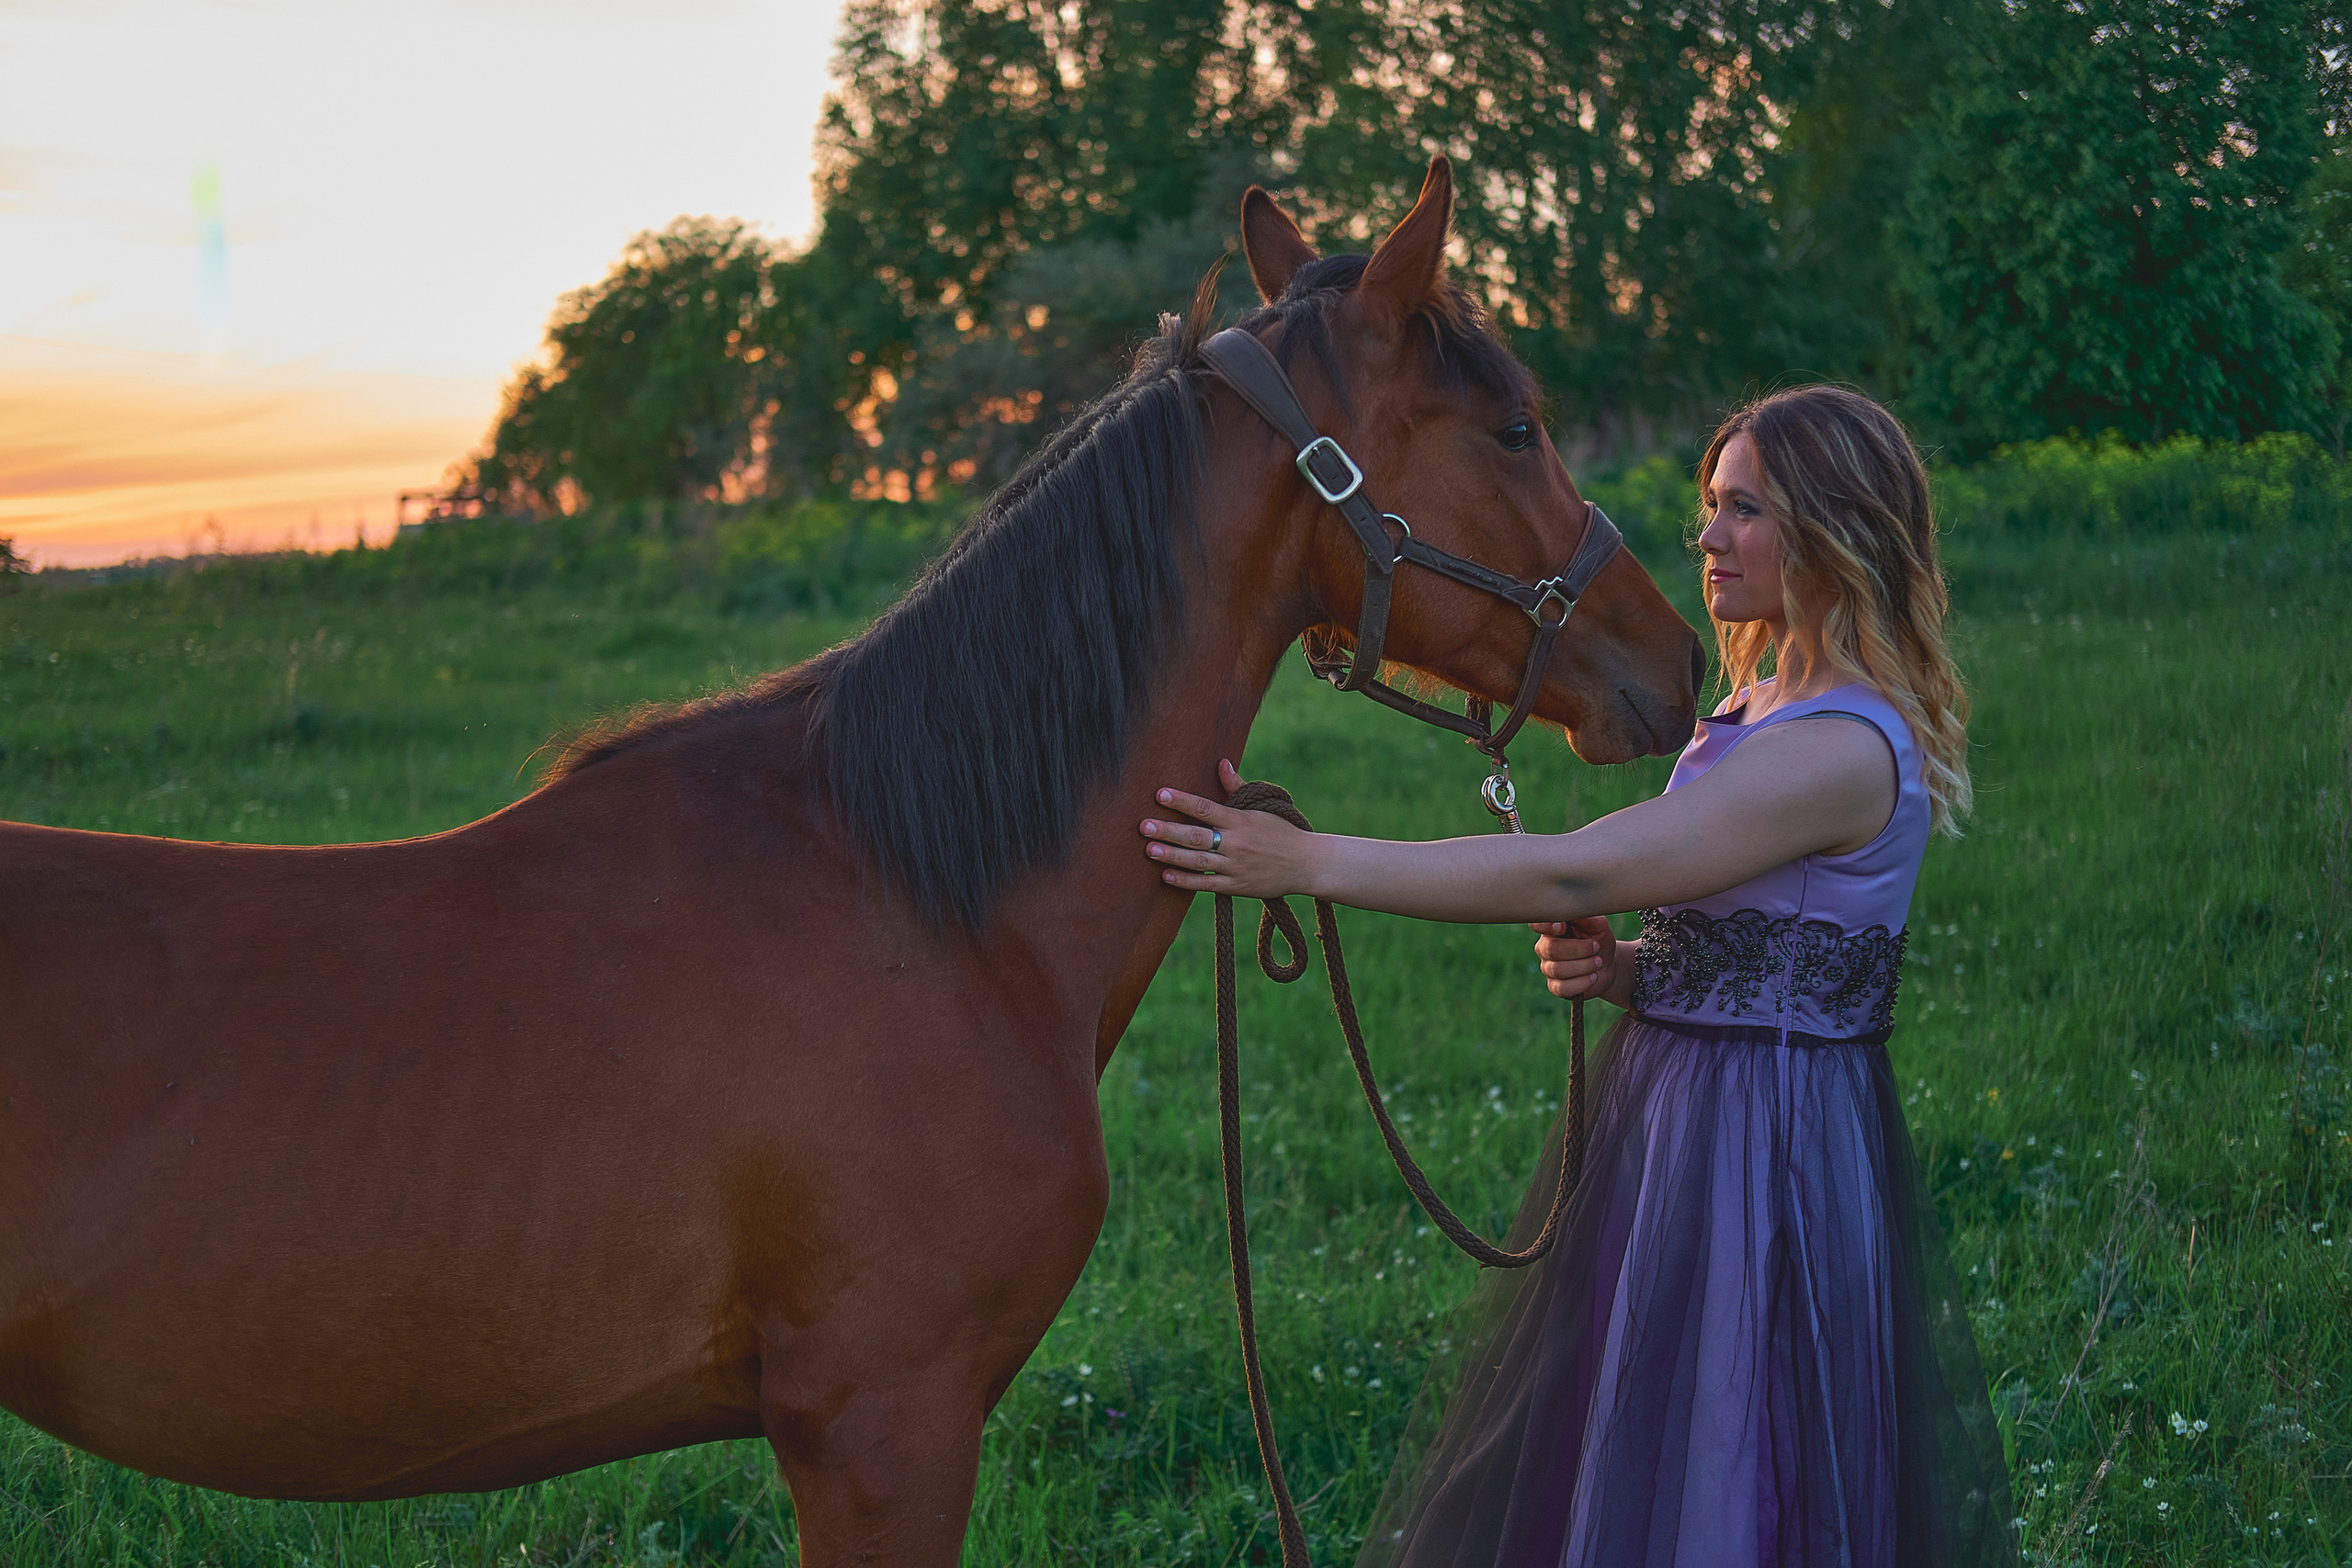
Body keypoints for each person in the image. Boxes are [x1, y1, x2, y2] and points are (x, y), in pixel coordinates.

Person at [1139, 385, 2014, 1567]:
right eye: (1711, 504)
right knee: (1637, 1423)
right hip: (1679, 1112)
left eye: (1744, 510)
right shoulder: (1754, 707)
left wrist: (1305, 862)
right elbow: (1778, 943)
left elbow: (1570, 873)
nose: (1705, 536)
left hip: (1768, 1146)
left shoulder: (1840, 748)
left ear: (1833, 529)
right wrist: (1638, 973)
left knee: (1729, 1435)